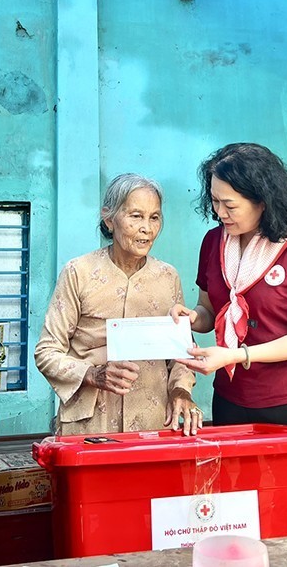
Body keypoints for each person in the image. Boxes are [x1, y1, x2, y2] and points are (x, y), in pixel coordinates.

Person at [171, 143, 287, 431]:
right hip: (232, 397)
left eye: (230, 205)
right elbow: (209, 310)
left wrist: (237, 355)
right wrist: (192, 318)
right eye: (215, 201)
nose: (220, 213)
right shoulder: (213, 242)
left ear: (263, 200)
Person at [35, 173, 200, 436]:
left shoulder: (168, 276)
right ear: (109, 219)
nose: (146, 227)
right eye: (136, 216)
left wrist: (180, 389)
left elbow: (181, 353)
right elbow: (46, 352)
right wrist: (92, 374)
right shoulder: (79, 271)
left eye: (154, 217)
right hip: (90, 423)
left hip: (153, 420)